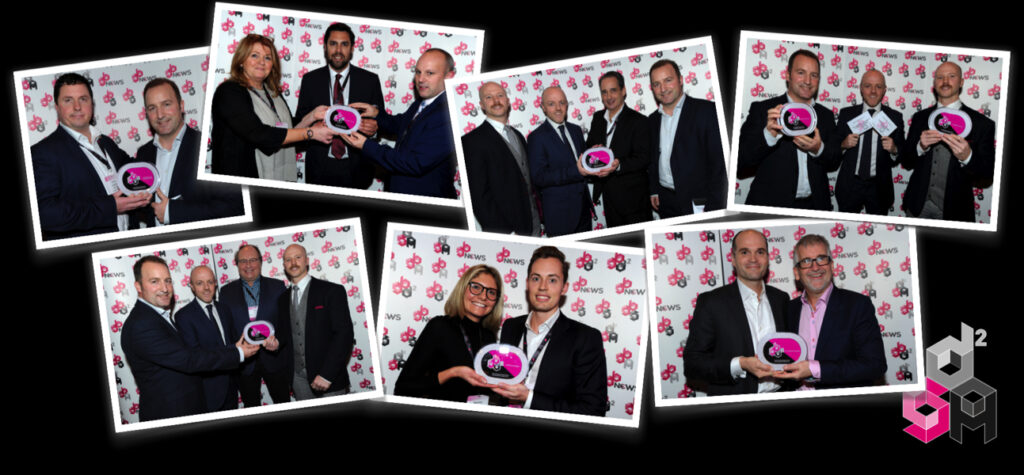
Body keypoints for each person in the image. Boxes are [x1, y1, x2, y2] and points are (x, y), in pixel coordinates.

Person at [120, 256, 260, 422]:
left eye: (167, 281)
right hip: (171, 413)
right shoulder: (141, 324)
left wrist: (242, 345)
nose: (164, 288)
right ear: (138, 286)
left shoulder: (158, 316)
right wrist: (237, 353)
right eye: (154, 281)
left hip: (192, 405)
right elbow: (189, 359)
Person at [31, 72, 150, 240]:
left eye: (83, 99)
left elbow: (133, 171)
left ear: (92, 104)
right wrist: (110, 207)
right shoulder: (42, 153)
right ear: (57, 107)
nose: (77, 107)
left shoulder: (106, 142)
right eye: (68, 100)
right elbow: (46, 214)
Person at [494, 246, 607, 416]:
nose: (543, 287)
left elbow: (593, 410)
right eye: (536, 278)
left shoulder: (586, 338)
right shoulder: (510, 326)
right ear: (527, 283)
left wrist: (528, 398)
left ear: (564, 287)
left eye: (552, 280)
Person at [210, 33, 336, 181]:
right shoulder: (229, 92)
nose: (261, 62)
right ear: (241, 60)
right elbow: (259, 134)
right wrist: (311, 133)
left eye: (268, 58)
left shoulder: (273, 93)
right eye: (255, 55)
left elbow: (287, 128)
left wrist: (312, 116)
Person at [683, 229, 789, 395]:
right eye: (745, 252)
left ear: (768, 258)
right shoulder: (711, 302)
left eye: (760, 252)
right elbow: (693, 365)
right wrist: (740, 364)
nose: (753, 259)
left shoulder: (781, 299)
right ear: (733, 258)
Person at [775, 234, 887, 389]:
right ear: (797, 273)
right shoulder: (788, 309)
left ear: (832, 266)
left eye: (821, 259)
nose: (815, 267)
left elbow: (875, 365)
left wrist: (815, 369)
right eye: (806, 261)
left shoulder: (858, 305)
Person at [343, 48, 458, 198]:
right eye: (418, 72)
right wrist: (376, 113)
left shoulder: (449, 115)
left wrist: (366, 145)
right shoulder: (423, 101)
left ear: (449, 76)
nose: (421, 79)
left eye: (429, 73)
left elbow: (414, 163)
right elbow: (402, 125)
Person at [131, 78, 244, 228]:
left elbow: (236, 206)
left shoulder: (208, 146)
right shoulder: (144, 153)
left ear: (181, 106)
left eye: (166, 104)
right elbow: (146, 208)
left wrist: (173, 212)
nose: (160, 114)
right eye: (152, 108)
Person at [738, 49, 839, 210]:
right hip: (771, 206)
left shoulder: (826, 115)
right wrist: (769, 136)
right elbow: (740, 162)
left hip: (815, 206)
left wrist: (818, 149)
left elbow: (835, 159)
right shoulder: (764, 110)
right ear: (787, 75)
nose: (808, 81)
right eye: (801, 73)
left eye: (814, 75)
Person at [900, 61, 995, 221]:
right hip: (917, 205)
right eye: (940, 77)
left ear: (961, 82)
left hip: (956, 211)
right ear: (934, 83)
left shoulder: (982, 124)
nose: (945, 81)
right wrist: (920, 147)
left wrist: (968, 157)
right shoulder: (920, 118)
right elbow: (906, 161)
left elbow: (987, 173)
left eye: (951, 76)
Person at [394, 264, 503, 403]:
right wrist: (453, 373)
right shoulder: (440, 327)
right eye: (476, 287)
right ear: (463, 289)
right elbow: (404, 387)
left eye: (491, 292)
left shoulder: (489, 337)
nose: (483, 296)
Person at [295, 23, 384, 188]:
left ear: (352, 48)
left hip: (358, 167)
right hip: (319, 167)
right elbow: (300, 121)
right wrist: (313, 124)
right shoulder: (310, 80)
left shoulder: (369, 80)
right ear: (325, 47)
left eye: (344, 44)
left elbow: (381, 121)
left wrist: (375, 129)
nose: (338, 50)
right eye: (333, 44)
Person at [646, 60, 727, 218]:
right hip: (665, 201)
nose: (663, 89)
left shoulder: (707, 111)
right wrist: (654, 189)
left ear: (681, 80)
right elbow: (653, 160)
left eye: (668, 80)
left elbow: (720, 165)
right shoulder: (652, 120)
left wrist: (714, 207)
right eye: (656, 84)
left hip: (700, 201)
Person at [462, 81, 540, 235]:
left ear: (508, 101)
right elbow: (478, 196)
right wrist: (504, 232)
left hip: (534, 223)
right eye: (489, 97)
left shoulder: (518, 135)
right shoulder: (471, 141)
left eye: (500, 95)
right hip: (508, 230)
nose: (496, 101)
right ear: (482, 105)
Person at [279, 244, 354, 400]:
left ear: (307, 261)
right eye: (288, 259)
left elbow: (344, 335)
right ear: (284, 265)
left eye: (298, 257)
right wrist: (276, 343)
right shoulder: (282, 299)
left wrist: (327, 375)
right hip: (298, 379)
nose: (293, 263)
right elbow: (286, 335)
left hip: (328, 379)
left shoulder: (331, 291)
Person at [219, 244, 289, 406]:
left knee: (284, 403)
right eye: (243, 261)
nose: (248, 265)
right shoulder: (226, 292)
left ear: (261, 261)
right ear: (237, 264)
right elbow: (226, 328)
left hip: (274, 359)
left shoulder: (278, 287)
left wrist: (278, 342)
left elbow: (286, 324)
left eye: (253, 260)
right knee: (251, 406)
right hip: (244, 364)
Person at [527, 87, 601, 237]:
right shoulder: (536, 137)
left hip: (584, 211)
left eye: (562, 102)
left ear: (567, 105)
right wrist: (575, 171)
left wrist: (592, 156)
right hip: (559, 216)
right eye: (551, 104)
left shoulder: (576, 130)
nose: (558, 108)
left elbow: (582, 163)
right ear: (543, 107)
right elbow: (539, 177)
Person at [585, 71, 652, 227]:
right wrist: (593, 152)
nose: (609, 96)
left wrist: (618, 165)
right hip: (609, 198)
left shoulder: (639, 121)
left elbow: (644, 157)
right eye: (604, 92)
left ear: (623, 91)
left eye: (613, 90)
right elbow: (589, 147)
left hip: (635, 201)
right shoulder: (598, 118)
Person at [834, 70, 905, 214]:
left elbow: (904, 151)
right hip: (850, 185)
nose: (873, 91)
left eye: (878, 86)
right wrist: (843, 145)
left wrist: (894, 149)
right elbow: (832, 149)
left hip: (879, 187)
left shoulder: (895, 117)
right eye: (868, 86)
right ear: (861, 88)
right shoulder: (846, 114)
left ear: (884, 90)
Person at [175, 265, 240, 412]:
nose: (206, 288)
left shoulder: (224, 309)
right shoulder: (184, 317)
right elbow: (195, 356)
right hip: (208, 391)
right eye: (200, 283)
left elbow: (233, 342)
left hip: (232, 386)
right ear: (192, 286)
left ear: (215, 283)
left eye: (210, 282)